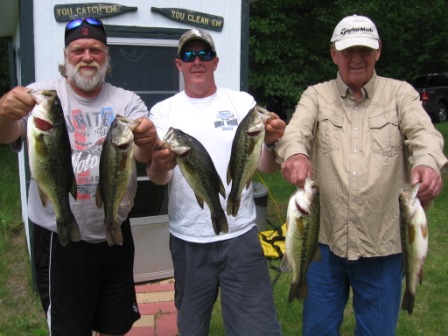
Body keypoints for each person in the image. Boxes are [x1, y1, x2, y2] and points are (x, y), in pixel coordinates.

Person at [276, 14, 448, 336]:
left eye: (365, 50)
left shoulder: (401, 94)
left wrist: (427, 162)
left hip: (382, 245)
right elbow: (295, 131)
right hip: (323, 244)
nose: (356, 58)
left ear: (378, 51)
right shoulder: (316, 95)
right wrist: (296, 152)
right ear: (334, 54)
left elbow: (424, 134)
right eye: (348, 50)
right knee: (318, 330)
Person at [0, 17, 158, 336]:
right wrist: (4, 112)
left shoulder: (127, 101)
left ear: (107, 57)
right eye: (79, 50)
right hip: (58, 237)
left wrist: (148, 139)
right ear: (66, 56)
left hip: (114, 229)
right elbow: (9, 135)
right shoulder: (41, 97)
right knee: (69, 327)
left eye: (96, 50)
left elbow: (144, 155)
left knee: (114, 323)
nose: (87, 57)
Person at [147, 28, 285, 335]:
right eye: (189, 55)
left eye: (204, 55)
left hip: (241, 237)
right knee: (192, 329)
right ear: (178, 63)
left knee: (257, 329)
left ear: (216, 62)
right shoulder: (163, 111)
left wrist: (273, 143)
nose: (197, 61)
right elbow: (159, 178)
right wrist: (158, 163)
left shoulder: (242, 103)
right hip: (188, 240)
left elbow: (266, 166)